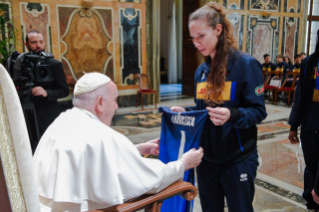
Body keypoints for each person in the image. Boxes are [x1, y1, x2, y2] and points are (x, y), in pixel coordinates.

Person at [33, 72, 204, 212]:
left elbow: (94, 158)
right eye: (115, 100)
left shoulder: (61, 122)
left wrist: (137, 149)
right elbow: (151, 179)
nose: (116, 107)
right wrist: (183, 164)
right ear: (100, 103)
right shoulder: (101, 134)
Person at [170, 2, 267, 211]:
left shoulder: (246, 65)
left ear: (218, 29)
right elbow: (204, 111)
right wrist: (186, 111)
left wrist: (231, 115)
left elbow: (258, 111)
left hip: (238, 158)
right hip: (207, 160)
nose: (196, 43)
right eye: (193, 38)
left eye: (201, 36)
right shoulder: (201, 72)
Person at [13, 31, 69, 139]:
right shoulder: (19, 65)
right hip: (26, 115)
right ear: (26, 44)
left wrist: (46, 92)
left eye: (41, 42)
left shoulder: (54, 64)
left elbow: (64, 90)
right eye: (34, 42)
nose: (38, 45)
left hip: (48, 116)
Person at [288, 30, 319, 211]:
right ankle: (311, 202)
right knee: (311, 166)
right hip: (309, 123)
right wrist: (294, 126)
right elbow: (299, 97)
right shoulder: (309, 63)